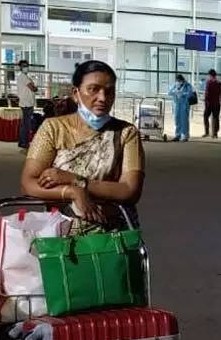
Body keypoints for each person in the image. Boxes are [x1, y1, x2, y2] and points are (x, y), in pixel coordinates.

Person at [21, 60, 145, 235]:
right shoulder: (53, 128)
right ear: (76, 93)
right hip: (59, 235)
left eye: (109, 92)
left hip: (112, 236)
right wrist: (72, 192)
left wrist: (76, 180)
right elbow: (29, 183)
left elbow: (129, 190)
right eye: (93, 89)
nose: (102, 98)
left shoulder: (126, 133)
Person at [16, 59, 38, 150]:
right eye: (24, 66)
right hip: (26, 103)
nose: (26, 67)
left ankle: (22, 142)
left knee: (24, 123)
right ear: (20, 67)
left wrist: (33, 86)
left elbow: (32, 86)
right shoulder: (22, 77)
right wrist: (34, 87)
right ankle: (24, 142)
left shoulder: (25, 76)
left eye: (27, 65)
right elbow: (33, 88)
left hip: (27, 102)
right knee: (26, 124)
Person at [168, 74, 194, 142]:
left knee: (184, 120)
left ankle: (185, 135)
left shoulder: (187, 85)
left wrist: (182, 94)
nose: (178, 82)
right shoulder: (175, 85)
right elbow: (169, 92)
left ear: (182, 80)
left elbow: (190, 93)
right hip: (177, 104)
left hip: (184, 104)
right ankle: (178, 135)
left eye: (179, 80)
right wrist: (176, 92)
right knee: (177, 120)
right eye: (177, 80)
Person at [203, 69, 221, 138]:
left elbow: (207, 93)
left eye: (209, 75)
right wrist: (220, 101)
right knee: (215, 118)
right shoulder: (219, 83)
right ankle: (214, 133)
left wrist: (205, 101)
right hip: (215, 103)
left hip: (210, 102)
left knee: (207, 116)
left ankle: (208, 132)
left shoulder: (209, 82)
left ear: (210, 75)